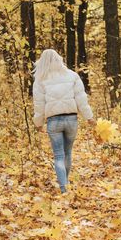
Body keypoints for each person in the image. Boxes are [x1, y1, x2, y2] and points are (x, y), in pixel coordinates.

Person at [32, 49, 95, 194]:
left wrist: (38, 123)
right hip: (71, 119)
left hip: (54, 121)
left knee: (59, 155)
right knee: (68, 153)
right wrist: (89, 117)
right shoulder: (72, 75)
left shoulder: (40, 80)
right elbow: (81, 99)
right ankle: (66, 184)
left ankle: (63, 188)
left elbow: (39, 105)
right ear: (59, 59)